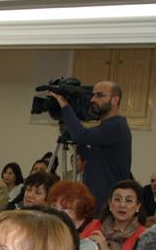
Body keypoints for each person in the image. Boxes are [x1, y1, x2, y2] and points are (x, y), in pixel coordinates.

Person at [50, 80, 132, 211]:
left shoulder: (116, 126)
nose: (93, 99)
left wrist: (64, 104)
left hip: (106, 205)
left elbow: (81, 136)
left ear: (115, 100)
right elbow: (90, 157)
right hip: (98, 202)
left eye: (100, 95)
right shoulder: (106, 127)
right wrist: (69, 128)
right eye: (92, 95)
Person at [83, 180, 147, 250]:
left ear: (138, 206)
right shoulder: (92, 225)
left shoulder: (143, 235)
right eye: (117, 199)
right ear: (110, 204)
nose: (122, 205)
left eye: (129, 200)